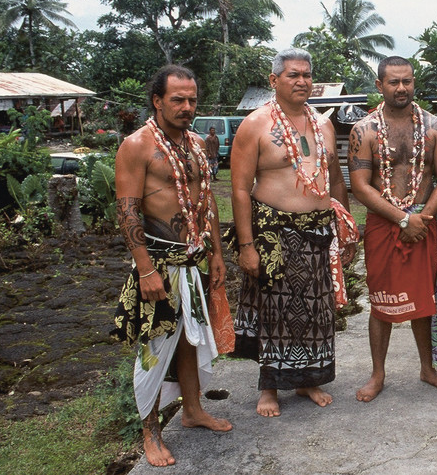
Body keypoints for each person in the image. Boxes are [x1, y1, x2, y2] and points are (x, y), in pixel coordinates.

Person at [112, 65, 232, 467]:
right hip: (159, 265)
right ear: (157, 100)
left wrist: (215, 253)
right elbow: (127, 210)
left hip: (195, 259)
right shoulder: (137, 145)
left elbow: (207, 202)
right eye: (177, 99)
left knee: (189, 338)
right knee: (153, 351)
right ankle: (150, 432)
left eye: (192, 100)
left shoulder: (197, 143)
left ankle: (193, 410)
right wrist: (145, 269)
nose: (186, 107)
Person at [228, 48, 357, 418]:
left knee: (317, 309)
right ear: (274, 81)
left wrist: (343, 229)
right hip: (274, 232)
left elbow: (334, 179)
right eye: (292, 75)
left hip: (318, 231)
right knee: (275, 310)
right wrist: (247, 245)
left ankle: (307, 379)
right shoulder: (255, 124)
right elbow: (239, 189)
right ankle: (269, 387)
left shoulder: (324, 124)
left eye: (306, 75)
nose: (301, 81)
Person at [349, 55, 437, 402]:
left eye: (408, 81)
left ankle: (428, 369)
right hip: (385, 224)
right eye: (394, 82)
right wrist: (402, 219)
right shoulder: (364, 130)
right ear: (379, 86)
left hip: (426, 221)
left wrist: (423, 217)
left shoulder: (434, 127)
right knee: (381, 300)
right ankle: (377, 374)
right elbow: (360, 185)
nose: (402, 88)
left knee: (425, 299)